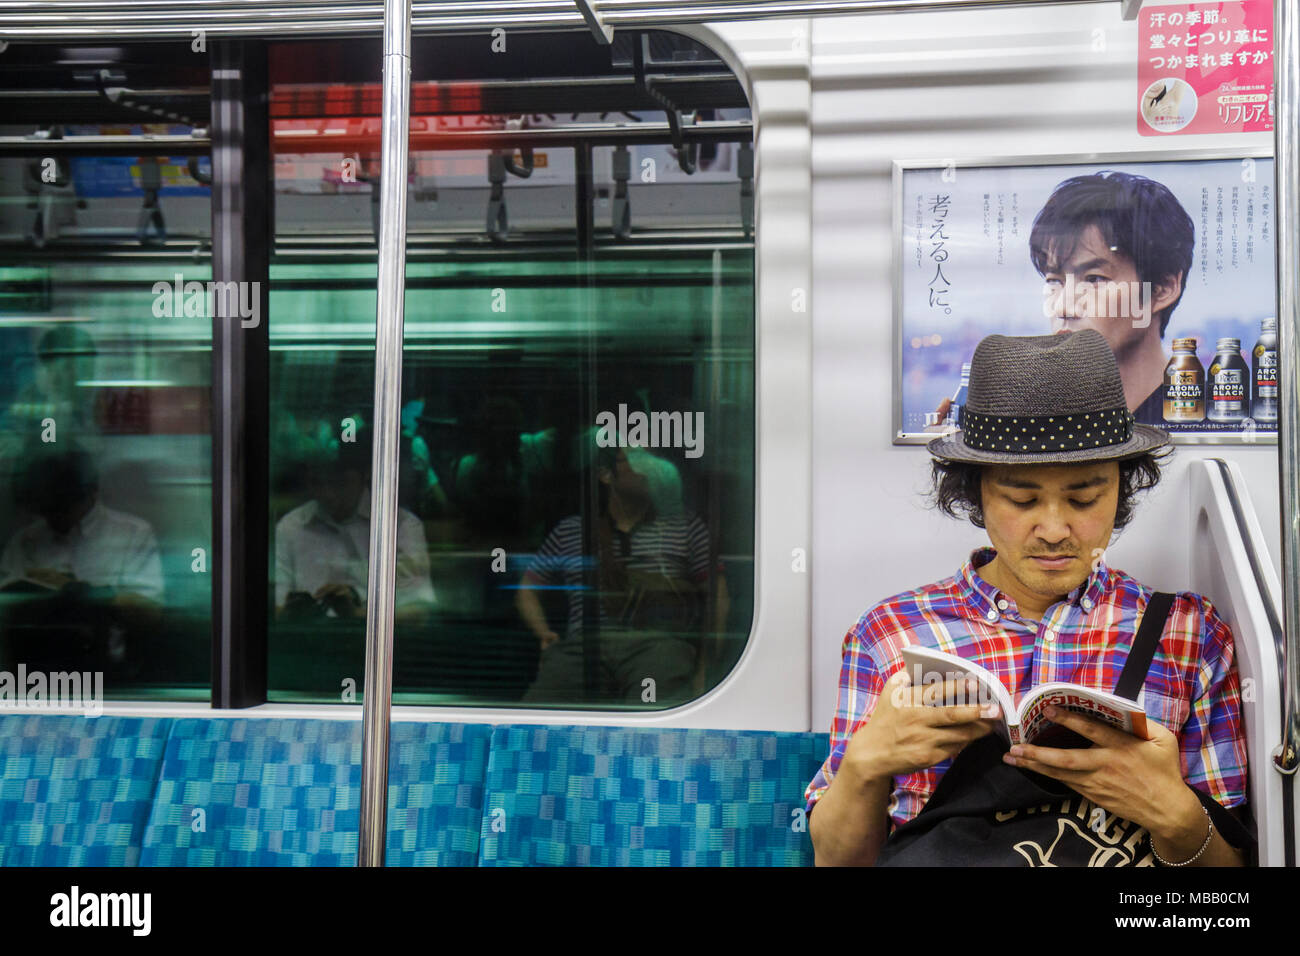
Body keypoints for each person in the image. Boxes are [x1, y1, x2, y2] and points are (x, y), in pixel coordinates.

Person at [806, 330, 1251, 867]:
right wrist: (863, 768)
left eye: (1086, 496)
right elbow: (837, 862)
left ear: (1121, 488)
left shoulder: (1188, 633)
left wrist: (1177, 816)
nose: (1055, 529)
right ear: (976, 492)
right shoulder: (889, 634)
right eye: (1022, 499)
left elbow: (1229, 889)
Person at [515, 445, 728, 704]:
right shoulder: (572, 530)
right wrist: (544, 633)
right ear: (606, 475)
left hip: (658, 644)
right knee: (540, 711)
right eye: (635, 462)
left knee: (654, 710)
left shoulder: (685, 526)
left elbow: (718, 596)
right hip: (584, 644)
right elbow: (529, 586)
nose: (647, 469)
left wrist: (707, 665)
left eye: (651, 463)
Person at [1030, 171, 1195, 421]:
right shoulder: (1039, 418)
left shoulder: (1206, 416)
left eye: (1094, 279)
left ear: (1162, 289)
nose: (1062, 307)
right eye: (1054, 280)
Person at [0, 447, 163, 670]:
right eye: (47, 510)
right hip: (34, 662)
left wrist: (95, 597)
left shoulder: (132, 534)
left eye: (63, 508)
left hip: (105, 666)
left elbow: (151, 612)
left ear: (90, 493)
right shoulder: (27, 540)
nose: (55, 518)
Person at [274, 433, 435, 624]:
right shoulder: (292, 526)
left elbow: (419, 613)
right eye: (317, 482)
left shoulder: (401, 526)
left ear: (365, 475)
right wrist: (294, 613)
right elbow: (278, 608)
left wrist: (356, 615)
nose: (327, 494)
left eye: (340, 483)